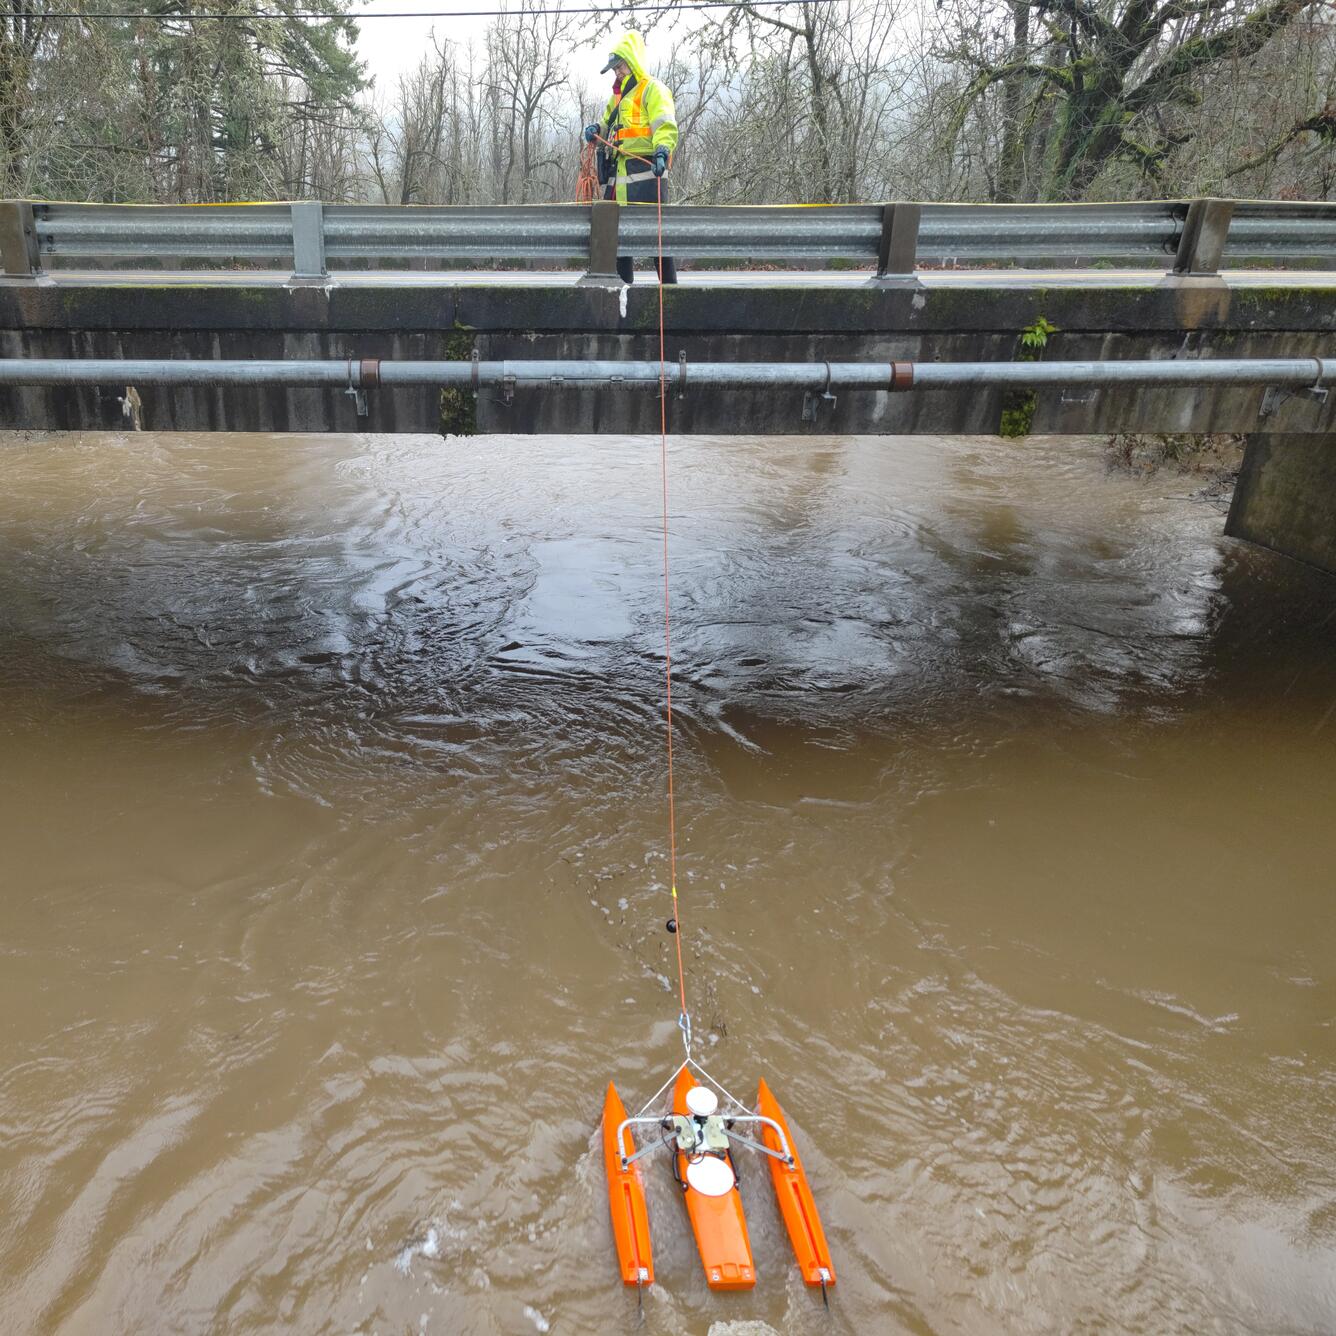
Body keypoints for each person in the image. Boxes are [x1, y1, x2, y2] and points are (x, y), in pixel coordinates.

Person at [583, 32, 679, 285]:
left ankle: (670, 293)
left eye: (620, 66)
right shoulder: (616, 98)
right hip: (618, 180)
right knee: (618, 239)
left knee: (656, 241)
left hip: (647, 176)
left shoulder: (653, 90)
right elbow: (606, 124)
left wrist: (662, 151)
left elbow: (665, 126)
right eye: (615, 69)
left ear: (633, 61)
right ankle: (623, 295)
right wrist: (596, 131)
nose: (617, 73)